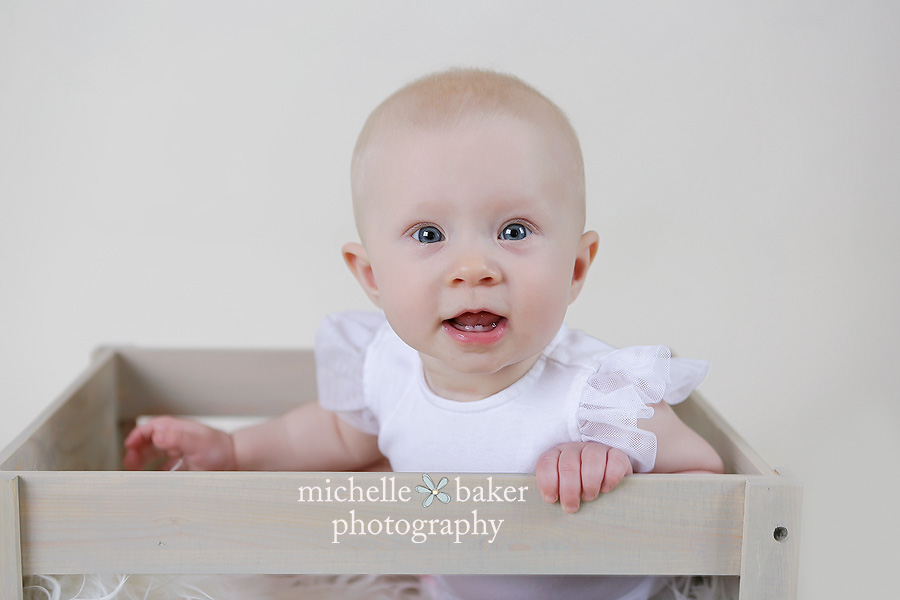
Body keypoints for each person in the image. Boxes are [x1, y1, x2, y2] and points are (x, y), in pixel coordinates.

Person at [124, 68, 724, 600]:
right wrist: (234, 452)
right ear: (371, 276)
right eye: (429, 235)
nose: (473, 267)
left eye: (514, 231)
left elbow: (706, 472)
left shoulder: (596, 397)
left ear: (575, 268)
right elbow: (335, 435)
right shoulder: (387, 365)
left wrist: (611, 460)